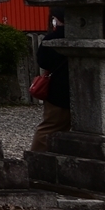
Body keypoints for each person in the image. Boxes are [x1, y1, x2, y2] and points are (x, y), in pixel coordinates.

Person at [30, 14, 72, 152]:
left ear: (57, 20)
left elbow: (43, 62)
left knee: (50, 126)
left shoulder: (51, 38)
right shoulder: (82, 36)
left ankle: (37, 157)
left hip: (58, 88)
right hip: (83, 90)